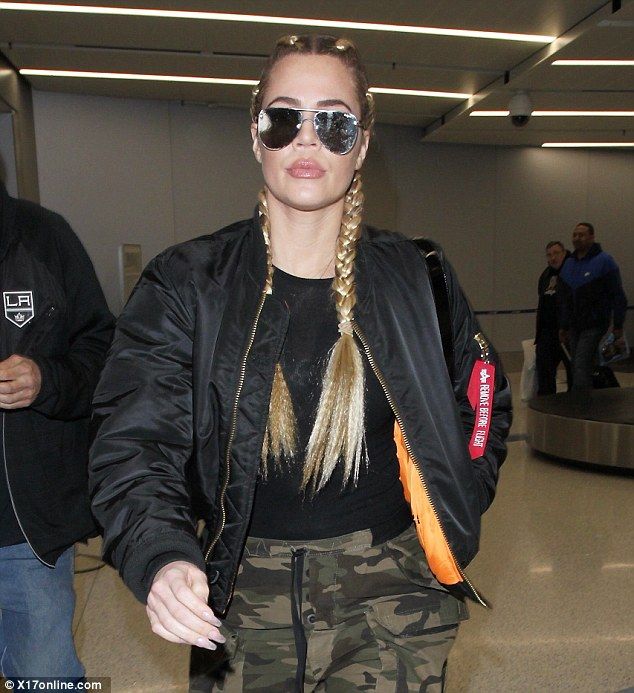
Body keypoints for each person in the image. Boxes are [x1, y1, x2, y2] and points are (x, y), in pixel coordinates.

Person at [89, 35, 512, 692]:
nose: (306, 141)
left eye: (334, 122)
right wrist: (163, 555)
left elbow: (483, 400)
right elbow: (133, 444)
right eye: (283, 119)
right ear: (256, 136)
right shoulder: (188, 285)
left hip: (394, 599)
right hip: (241, 596)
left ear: (363, 143)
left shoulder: (418, 277)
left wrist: (451, 497)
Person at [0, 180, 114, 679]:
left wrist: (45, 380)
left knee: (43, 677)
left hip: (24, 532)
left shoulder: (44, 239)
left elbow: (104, 356)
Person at [558, 222, 627, 392]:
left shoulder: (604, 261)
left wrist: (618, 325)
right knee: (579, 363)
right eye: (575, 235)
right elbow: (565, 299)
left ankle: (580, 404)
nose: (577, 238)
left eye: (581, 234)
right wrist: (564, 325)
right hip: (575, 325)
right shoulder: (569, 264)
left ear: (592, 237)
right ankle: (594, 398)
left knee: (581, 363)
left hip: (595, 324)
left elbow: (618, 295)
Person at [535, 241, 571, 395]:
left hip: (568, 330)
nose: (553, 257)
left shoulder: (572, 271)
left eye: (556, 253)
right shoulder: (546, 275)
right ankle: (547, 401)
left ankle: (575, 401)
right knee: (544, 368)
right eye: (549, 255)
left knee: (573, 369)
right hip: (547, 331)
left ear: (564, 253)